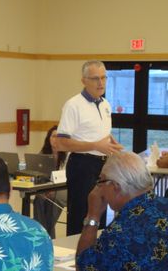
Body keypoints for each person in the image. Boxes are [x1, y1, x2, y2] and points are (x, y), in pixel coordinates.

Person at [76, 152, 168, 271]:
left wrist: (93, 216)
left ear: (115, 186)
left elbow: (84, 266)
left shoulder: (121, 232)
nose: (99, 189)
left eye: (101, 181)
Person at [55, 60, 123, 236]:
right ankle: (75, 256)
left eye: (103, 78)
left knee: (100, 213)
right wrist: (95, 145)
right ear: (84, 81)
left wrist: (112, 144)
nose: (101, 83)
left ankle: (96, 256)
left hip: (103, 166)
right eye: (95, 79)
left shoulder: (106, 104)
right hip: (82, 165)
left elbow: (100, 133)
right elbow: (61, 143)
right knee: (81, 215)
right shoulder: (73, 105)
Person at [33, 125, 67, 238]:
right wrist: (46, 189)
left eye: (58, 137)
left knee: (54, 197)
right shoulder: (43, 153)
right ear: (48, 138)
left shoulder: (67, 155)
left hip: (64, 188)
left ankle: (44, 234)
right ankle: (43, 232)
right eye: (53, 136)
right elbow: (38, 175)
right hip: (47, 187)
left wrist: (53, 189)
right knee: (40, 198)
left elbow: (65, 177)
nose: (55, 139)